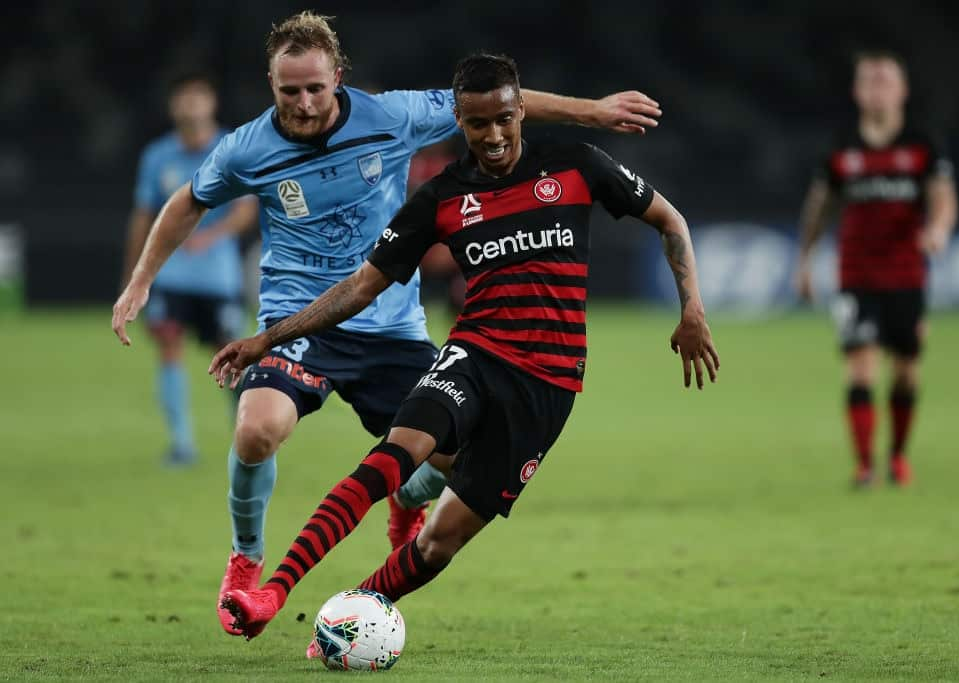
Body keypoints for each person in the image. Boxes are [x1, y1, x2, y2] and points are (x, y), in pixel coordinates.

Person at [110, 12, 665, 635]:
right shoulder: (247, 147)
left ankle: (404, 498)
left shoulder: (394, 115)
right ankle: (245, 558)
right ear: (271, 85)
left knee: (454, 466)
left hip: (393, 329)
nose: (303, 102)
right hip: (303, 327)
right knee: (256, 429)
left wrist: (592, 112)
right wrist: (141, 279)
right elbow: (188, 200)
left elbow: (492, 102)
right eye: (288, 90)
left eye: (315, 87)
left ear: (337, 77)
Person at [209, 52, 719, 643]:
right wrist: (267, 338)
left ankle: (355, 611)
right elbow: (358, 287)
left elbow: (669, 219)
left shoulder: (577, 165)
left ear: (521, 110)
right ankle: (273, 591)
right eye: (478, 124)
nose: (494, 135)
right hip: (472, 355)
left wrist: (692, 308)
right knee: (389, 459)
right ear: (460, 122)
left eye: (504, 119)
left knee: (439, 541)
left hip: (547, 385)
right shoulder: (441, 197)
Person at [794, 49, 958, 487]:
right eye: (869, 80)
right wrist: (805, 260)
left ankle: (898, 457)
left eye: (885, 80)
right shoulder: (842, 148)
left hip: (907, 276)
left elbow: (943, 198)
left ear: (902, 89)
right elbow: (819, 208)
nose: (877, 89)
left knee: (905, 372)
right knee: (861, 368)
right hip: (857, 276)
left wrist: (939, 230)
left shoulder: (923, 145)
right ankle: (865, 464)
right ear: (856, 91)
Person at [122, 72, 258, 466]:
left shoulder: (232, 147)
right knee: (169, 344)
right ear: (173, 106)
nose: (190, 105)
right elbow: (143, 215)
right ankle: (182, 443)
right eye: (183, 97)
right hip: (171, 275)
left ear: (211, 103)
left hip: (218, 277)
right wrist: (134, 276)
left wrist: (209, 235)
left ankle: (247, 434)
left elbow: (246, 210)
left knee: (231, 355)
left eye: (198, 96)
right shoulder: (157, 156)